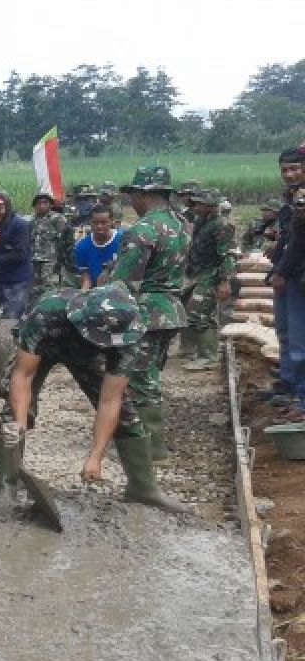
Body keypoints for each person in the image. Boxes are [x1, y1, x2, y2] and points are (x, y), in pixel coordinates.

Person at [0, 283, 189, 514]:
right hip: (45, 346)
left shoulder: (127, 336)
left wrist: (96, 456)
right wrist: (19, 424)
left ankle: (142, 488)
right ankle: (6, 485)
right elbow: (23, 375)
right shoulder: (47, 312)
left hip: (87, 355)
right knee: (13, 414)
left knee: (126, 414)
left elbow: (110, 399)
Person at [106, 166, 190, 468]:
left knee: (140, 381)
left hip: (146, 313)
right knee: (151, 376)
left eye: (134, 195)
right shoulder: (182, 225)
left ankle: (150, 451)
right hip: (170, 310)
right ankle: (147, 446)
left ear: (144, 194)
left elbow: (123, 281)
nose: (132, 202)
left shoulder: (143, 230)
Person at [265, 149, 305, 411]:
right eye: (285, 170)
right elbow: (289, 239)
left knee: (299, 338)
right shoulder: (292, 199)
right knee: (286, 333)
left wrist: (282, 271)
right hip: (290, 273)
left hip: (298, 275)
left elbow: (301, 242)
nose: (289, 174)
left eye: (295, 168)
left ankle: (301, 395)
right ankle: (290, 385)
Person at [180, 188, 236, 371]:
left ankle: (208, 356)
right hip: (195, 272)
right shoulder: (202, 221)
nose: (195, 206)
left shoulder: (221, 225)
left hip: (211, 275)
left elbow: (227, 255)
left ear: (210, 206)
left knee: (199, 313)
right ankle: (188, 348)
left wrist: (225, 281)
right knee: (186, 307)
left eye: (199, 204)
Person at [0, 192, 33, 325]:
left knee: (10, 320)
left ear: (7, 208)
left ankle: (7, 344)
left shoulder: (20, 225)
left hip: (15, 281)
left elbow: (20, 255)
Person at [29, 193, 75, 298]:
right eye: (39, 203)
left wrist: (64, 259)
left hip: (50, 259)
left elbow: (67, 239)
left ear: (50, 205)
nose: (41, 206)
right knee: (33, 288)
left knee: (49, 288)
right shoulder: (30, 220)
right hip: (33, 259)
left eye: (45, 203)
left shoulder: (58, 219)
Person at [74, 205, 124, 289]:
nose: (99, 226)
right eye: (95, 223)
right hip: (95, 291)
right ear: (90, 222)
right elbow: (86, 277)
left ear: (111, 222)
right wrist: (83, 293)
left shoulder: (123, 240)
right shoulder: (82, 246)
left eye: (104, 222)